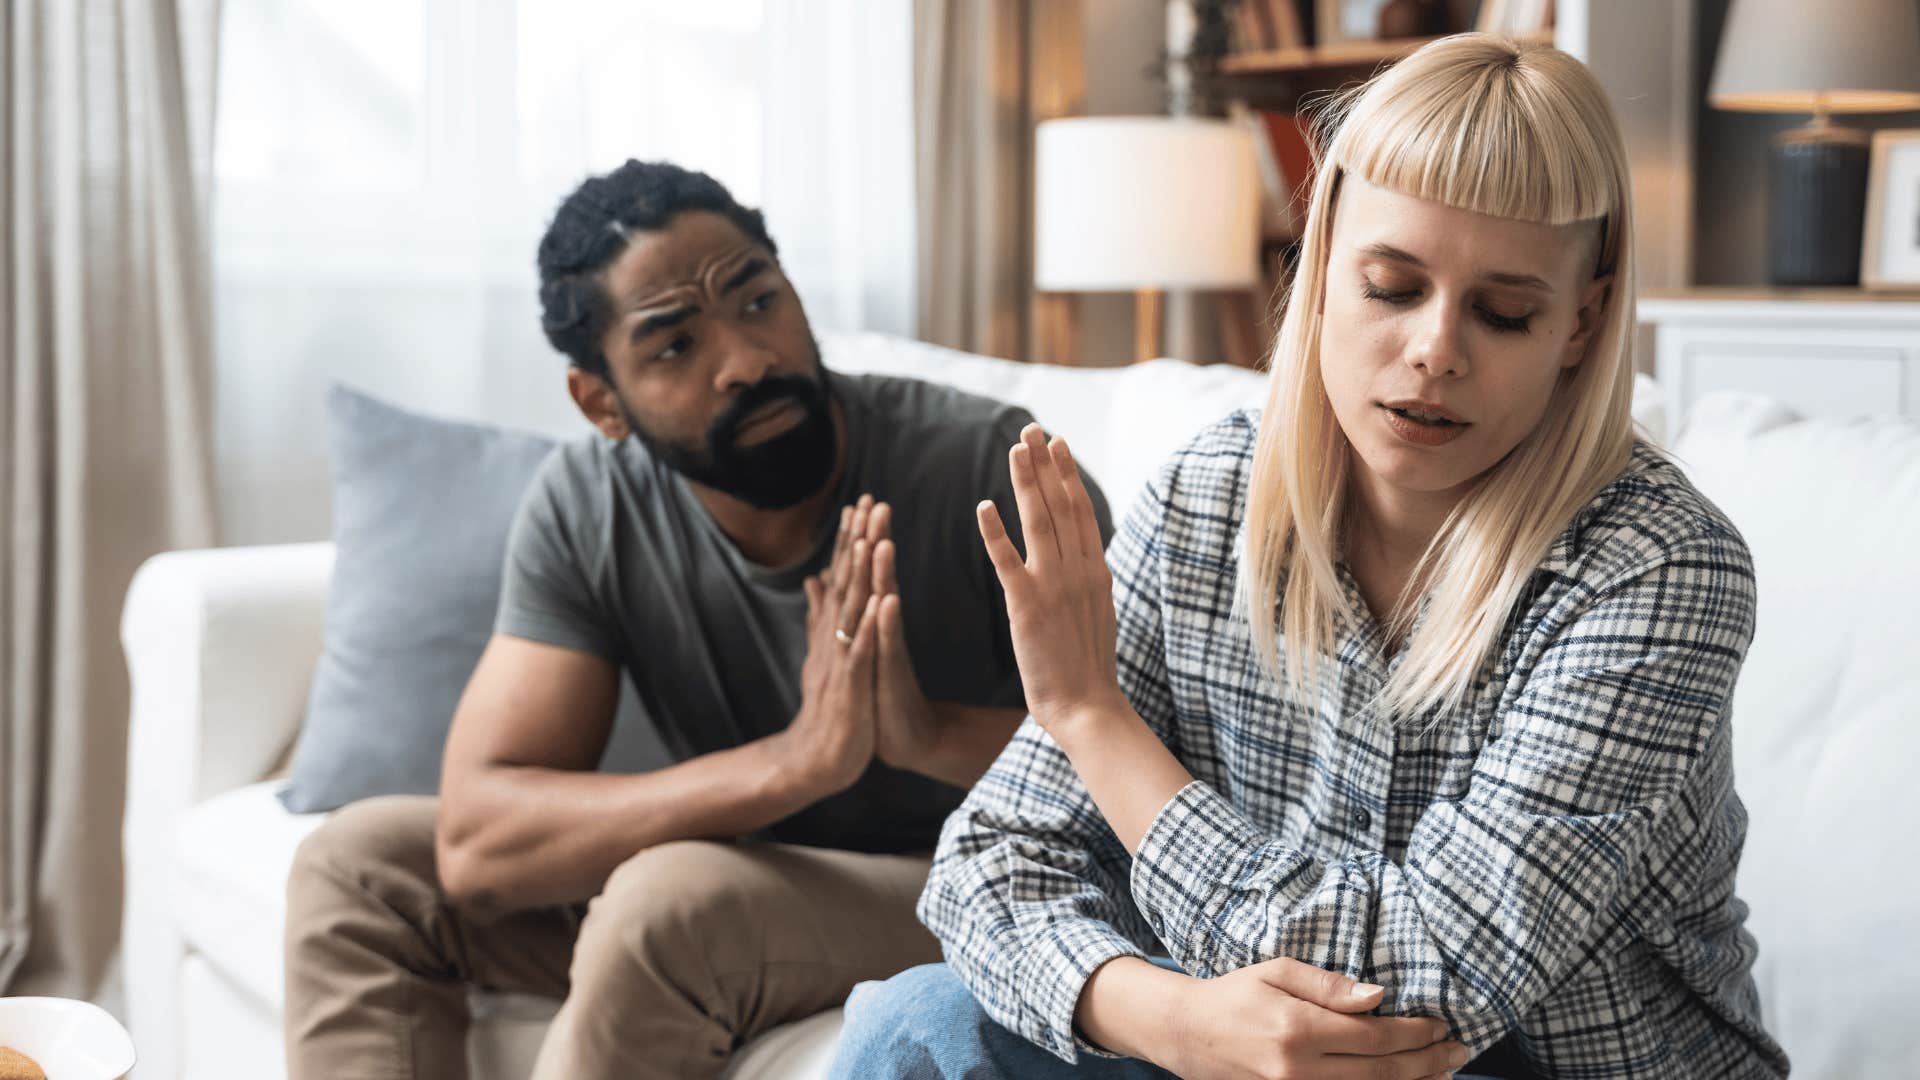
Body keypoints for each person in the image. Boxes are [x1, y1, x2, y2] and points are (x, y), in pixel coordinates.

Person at [832, 33, 1790, 1080]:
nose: (1436, 350)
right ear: (1321, 263)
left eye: (1505, 312)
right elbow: (988, 868)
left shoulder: (1658, 570)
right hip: (1252, 1049)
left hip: (1549, 1069)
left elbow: (1425, 982)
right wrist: (1169, 1020)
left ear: (1581, 323)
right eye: (1392, 286)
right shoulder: (1208, 501)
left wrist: (1094, 721)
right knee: (916, 1022)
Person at [281, 160, 1111, 1080]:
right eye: (674, 346)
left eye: (759, 302)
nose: (748, 360)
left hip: (970, 878)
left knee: (666, 902)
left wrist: (925, 734)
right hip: (758, 874)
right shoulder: (589, 507)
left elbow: (1168, 761)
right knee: (361, 868)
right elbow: (479, 841)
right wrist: (792, 765)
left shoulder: (987, 468)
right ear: (601, 402)